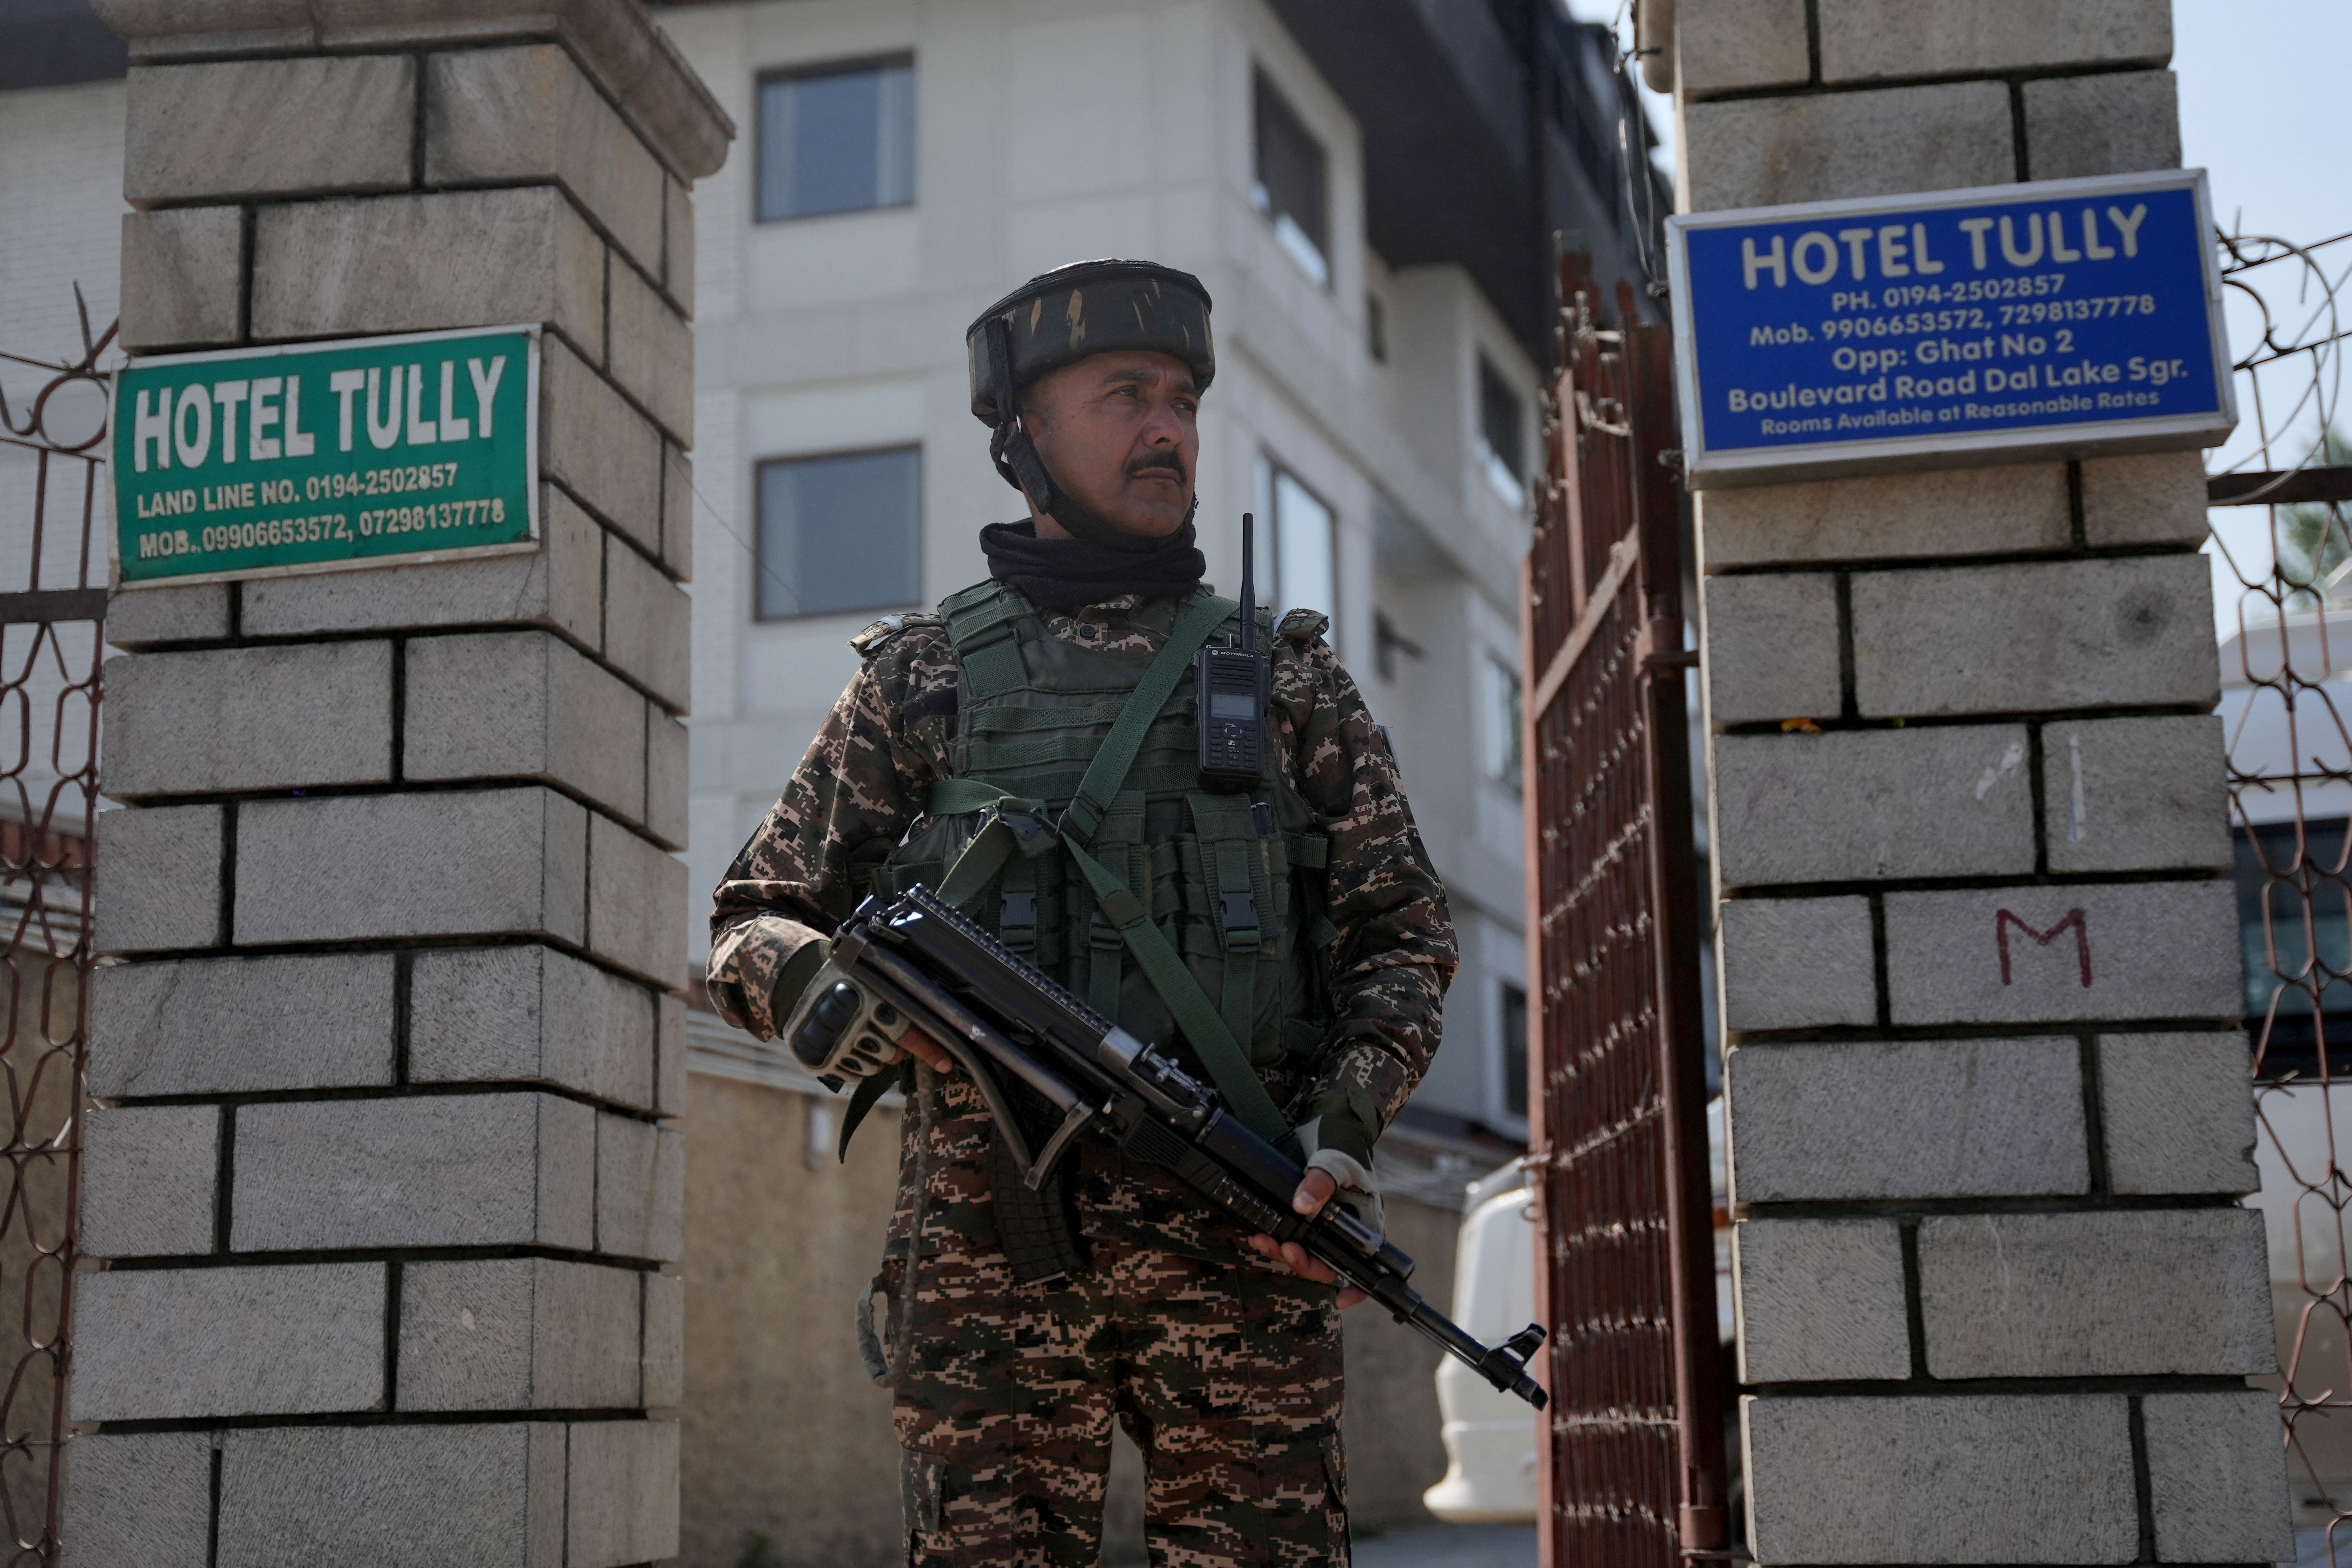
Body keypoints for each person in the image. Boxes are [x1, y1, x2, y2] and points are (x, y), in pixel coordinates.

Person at [706, 257, 1456, 1566]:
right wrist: (825, 990)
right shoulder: (923, 679)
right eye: (1126, 396)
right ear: (1027, 438)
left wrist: (1343, 1129)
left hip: (1245, 1245)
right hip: (988, 1257)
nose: (1168, 428)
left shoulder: (1283, 683)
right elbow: (751, 914)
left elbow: (1400, 934)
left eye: (1182, 400)